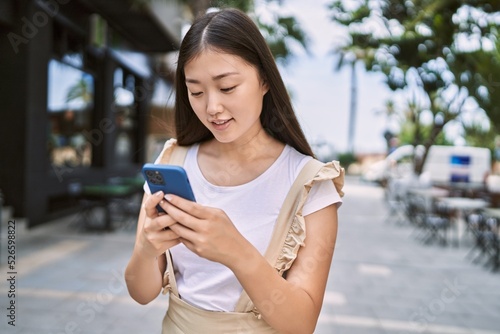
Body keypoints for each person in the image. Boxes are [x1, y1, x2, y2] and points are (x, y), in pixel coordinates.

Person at [125, 8, 344, 333]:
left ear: (265, 80)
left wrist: (235, 251)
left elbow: (301, 324)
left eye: (227, 88)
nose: (212, 107)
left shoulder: (310, 184)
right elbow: (141, 293)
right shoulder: (172, 161)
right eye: (196, 92)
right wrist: (146, 248)